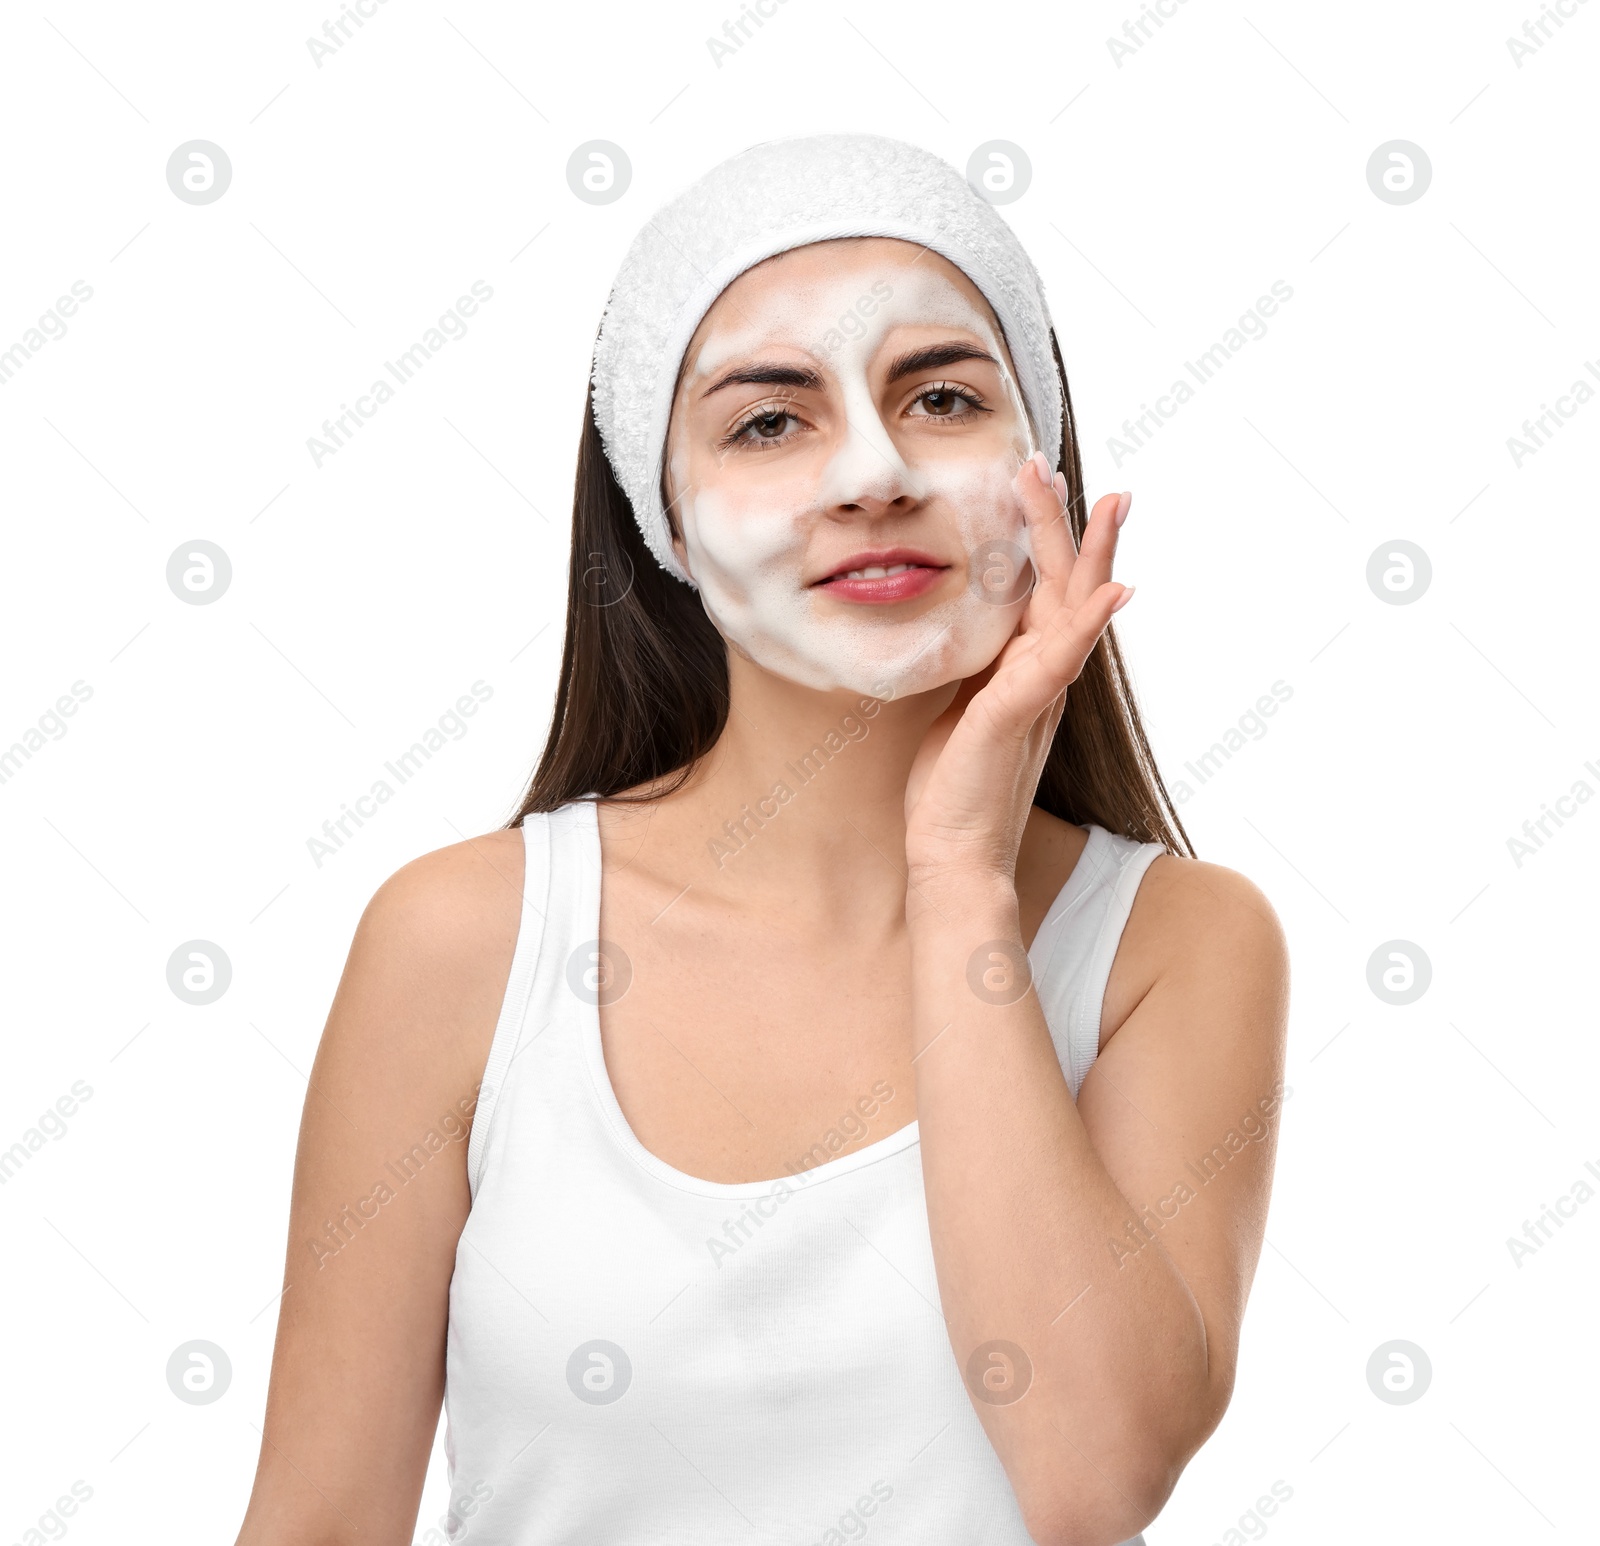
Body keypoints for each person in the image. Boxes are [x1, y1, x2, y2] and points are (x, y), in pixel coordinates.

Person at [233, 133, 1289, 1546]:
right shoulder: (465, 939)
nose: (872, 472)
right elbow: (315, 1525)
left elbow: (1091, 1477)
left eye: (944, 396)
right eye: (769, 421)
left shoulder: (1180, 943)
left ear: (1039, 462)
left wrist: (961, 878)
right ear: (661, 514)